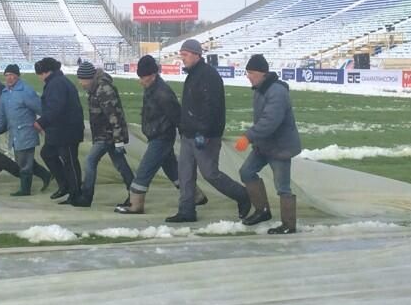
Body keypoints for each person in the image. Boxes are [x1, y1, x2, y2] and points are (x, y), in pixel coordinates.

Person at [166, 39, 251, 223]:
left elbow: (212, 109)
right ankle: (186, 210)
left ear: (196, 55)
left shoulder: (208, 76)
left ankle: (243, 195)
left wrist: (202, 133)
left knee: (210, 174)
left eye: (185, 55)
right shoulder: (194, 75)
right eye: (182, 55)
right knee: (185, 173)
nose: (182, 58)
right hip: (189, 134)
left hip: (204, 135)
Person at [116, 54, 203, 215]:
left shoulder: (162, 93)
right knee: (173, 170)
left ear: (153, 75)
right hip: (158, 136)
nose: (140, 81)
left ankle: (136, 204)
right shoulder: (152, 89)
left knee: (144, 171)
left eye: (143, 77)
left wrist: (188, 137)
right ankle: (196, 195)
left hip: (161, 138)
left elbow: (177, 117)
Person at [235, 54, 302, 234]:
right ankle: (262, 210)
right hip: (264, 145)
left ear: (261, 73)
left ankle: (289, 225)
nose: (248, 76)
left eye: (250, 73)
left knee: (283, 187)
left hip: (280, 147)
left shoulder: (277, 92)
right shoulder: (260, 89)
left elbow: (270, 121)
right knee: (246, 172)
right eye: (247, 72)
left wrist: (248, 137)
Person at [72, 61, 134, 207]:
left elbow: (114, 115)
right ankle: (135, 193)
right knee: (121, 165)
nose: (80, 83)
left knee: (90, 161)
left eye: (82, 79)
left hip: (107, 135)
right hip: (107, 134)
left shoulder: (103, 90)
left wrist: (118, 139)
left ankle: (86, 196)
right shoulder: (97, 88)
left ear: (89, 78)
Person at [0, 65, 53, 196]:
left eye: (12, 75)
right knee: (23, 160)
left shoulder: (26, 91)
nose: (9, 78)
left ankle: (25, 189)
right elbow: (1, 117)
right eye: (7, 75)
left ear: (18, 76)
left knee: (24, 162)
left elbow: (41, 109)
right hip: (14, 134)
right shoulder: (4, 94)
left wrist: (43, 124)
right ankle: (46, 175)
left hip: (26, 132)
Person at [35, 57, 85, 205]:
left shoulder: (56, 84)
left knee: (69, 161)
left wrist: (41, 122)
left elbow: (56, 108)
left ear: (45, 72)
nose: (38, 77)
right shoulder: (57, 81)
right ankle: (65, 185)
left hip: (67, 130)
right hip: (59, 130)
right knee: (47, 153)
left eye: (39, 73)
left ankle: (75, 194)